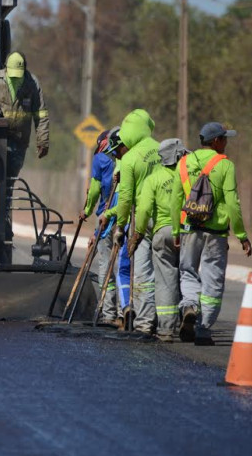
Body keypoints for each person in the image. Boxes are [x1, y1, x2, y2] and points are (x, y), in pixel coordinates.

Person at [170, 122, 251, 346]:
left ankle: (189, 306)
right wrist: (242, 235)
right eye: (224, 138)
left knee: (187, 272)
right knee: (212, 280)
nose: (226, 143)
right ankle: (204, 330)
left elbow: (175, 199)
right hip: (215, 233)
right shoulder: (225, 165)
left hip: (189, 229)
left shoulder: (183, 163)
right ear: (215, 141)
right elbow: (233, 204)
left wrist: (176, 229)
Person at [0, 51, 49, 239]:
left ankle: (2, 222)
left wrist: (43, 140)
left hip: (19, 142)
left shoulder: (32, 84)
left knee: (9, 184)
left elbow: (41, 114)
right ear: (5, 69)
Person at [99, 109, 160, 334]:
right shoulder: (162, 150)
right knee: (167, 272)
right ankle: (168, 321)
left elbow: (125, 199)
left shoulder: (130, 160)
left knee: (142, 273)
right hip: (167, 218)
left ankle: (145, 323)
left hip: (141, 220)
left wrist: (120, 227)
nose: (117, 155)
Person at [134, 138, 189, 342]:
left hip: (163, 232)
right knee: (188, 275)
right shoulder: (188, 176)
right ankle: (191, 313)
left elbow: (144, 210)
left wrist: (138, 234)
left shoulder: (153, 180)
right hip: (190, 231)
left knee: (166, 280)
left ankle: (166, 329)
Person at [81, 127, 120, 326]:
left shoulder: (100, 159)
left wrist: (86, 211)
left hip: (107, 215)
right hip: (127, 215)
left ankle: (108, 311)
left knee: (106, 263)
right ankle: (126, 310)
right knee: (125, 265)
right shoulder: (125, 157)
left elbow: (95, 189)